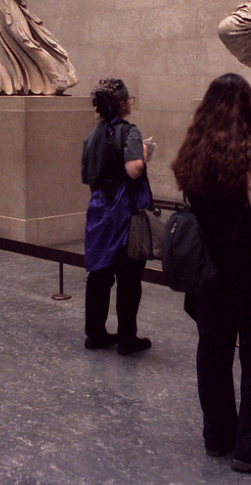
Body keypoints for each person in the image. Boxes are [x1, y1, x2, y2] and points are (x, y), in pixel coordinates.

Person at [172, 73, 251, 478]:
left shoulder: (193, 154)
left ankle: (218, 435)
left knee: (213, 351)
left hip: (207, 272)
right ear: (244, 108)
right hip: (245, 270)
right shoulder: (248, 155)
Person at [80, 78, 151, 356]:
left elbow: (87, 176)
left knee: (99, 274)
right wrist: (144, 155)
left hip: (99, 210)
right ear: (122, 104)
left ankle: (95, 333)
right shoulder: (129, 133)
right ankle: (127, 339)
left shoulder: (92, 136)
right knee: (129, 276)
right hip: (124, 212)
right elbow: (134, 170)